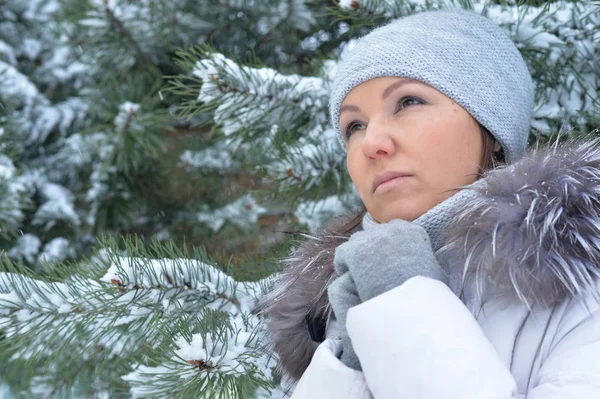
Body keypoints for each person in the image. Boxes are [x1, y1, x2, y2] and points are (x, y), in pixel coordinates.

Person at [258, 9, 600, 398]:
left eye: (407, 102)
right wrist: (352, 368)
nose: (371, 143)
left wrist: (403, 302)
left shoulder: (584, 289)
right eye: (355, 126)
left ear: (491, 125)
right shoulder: (334, 314)